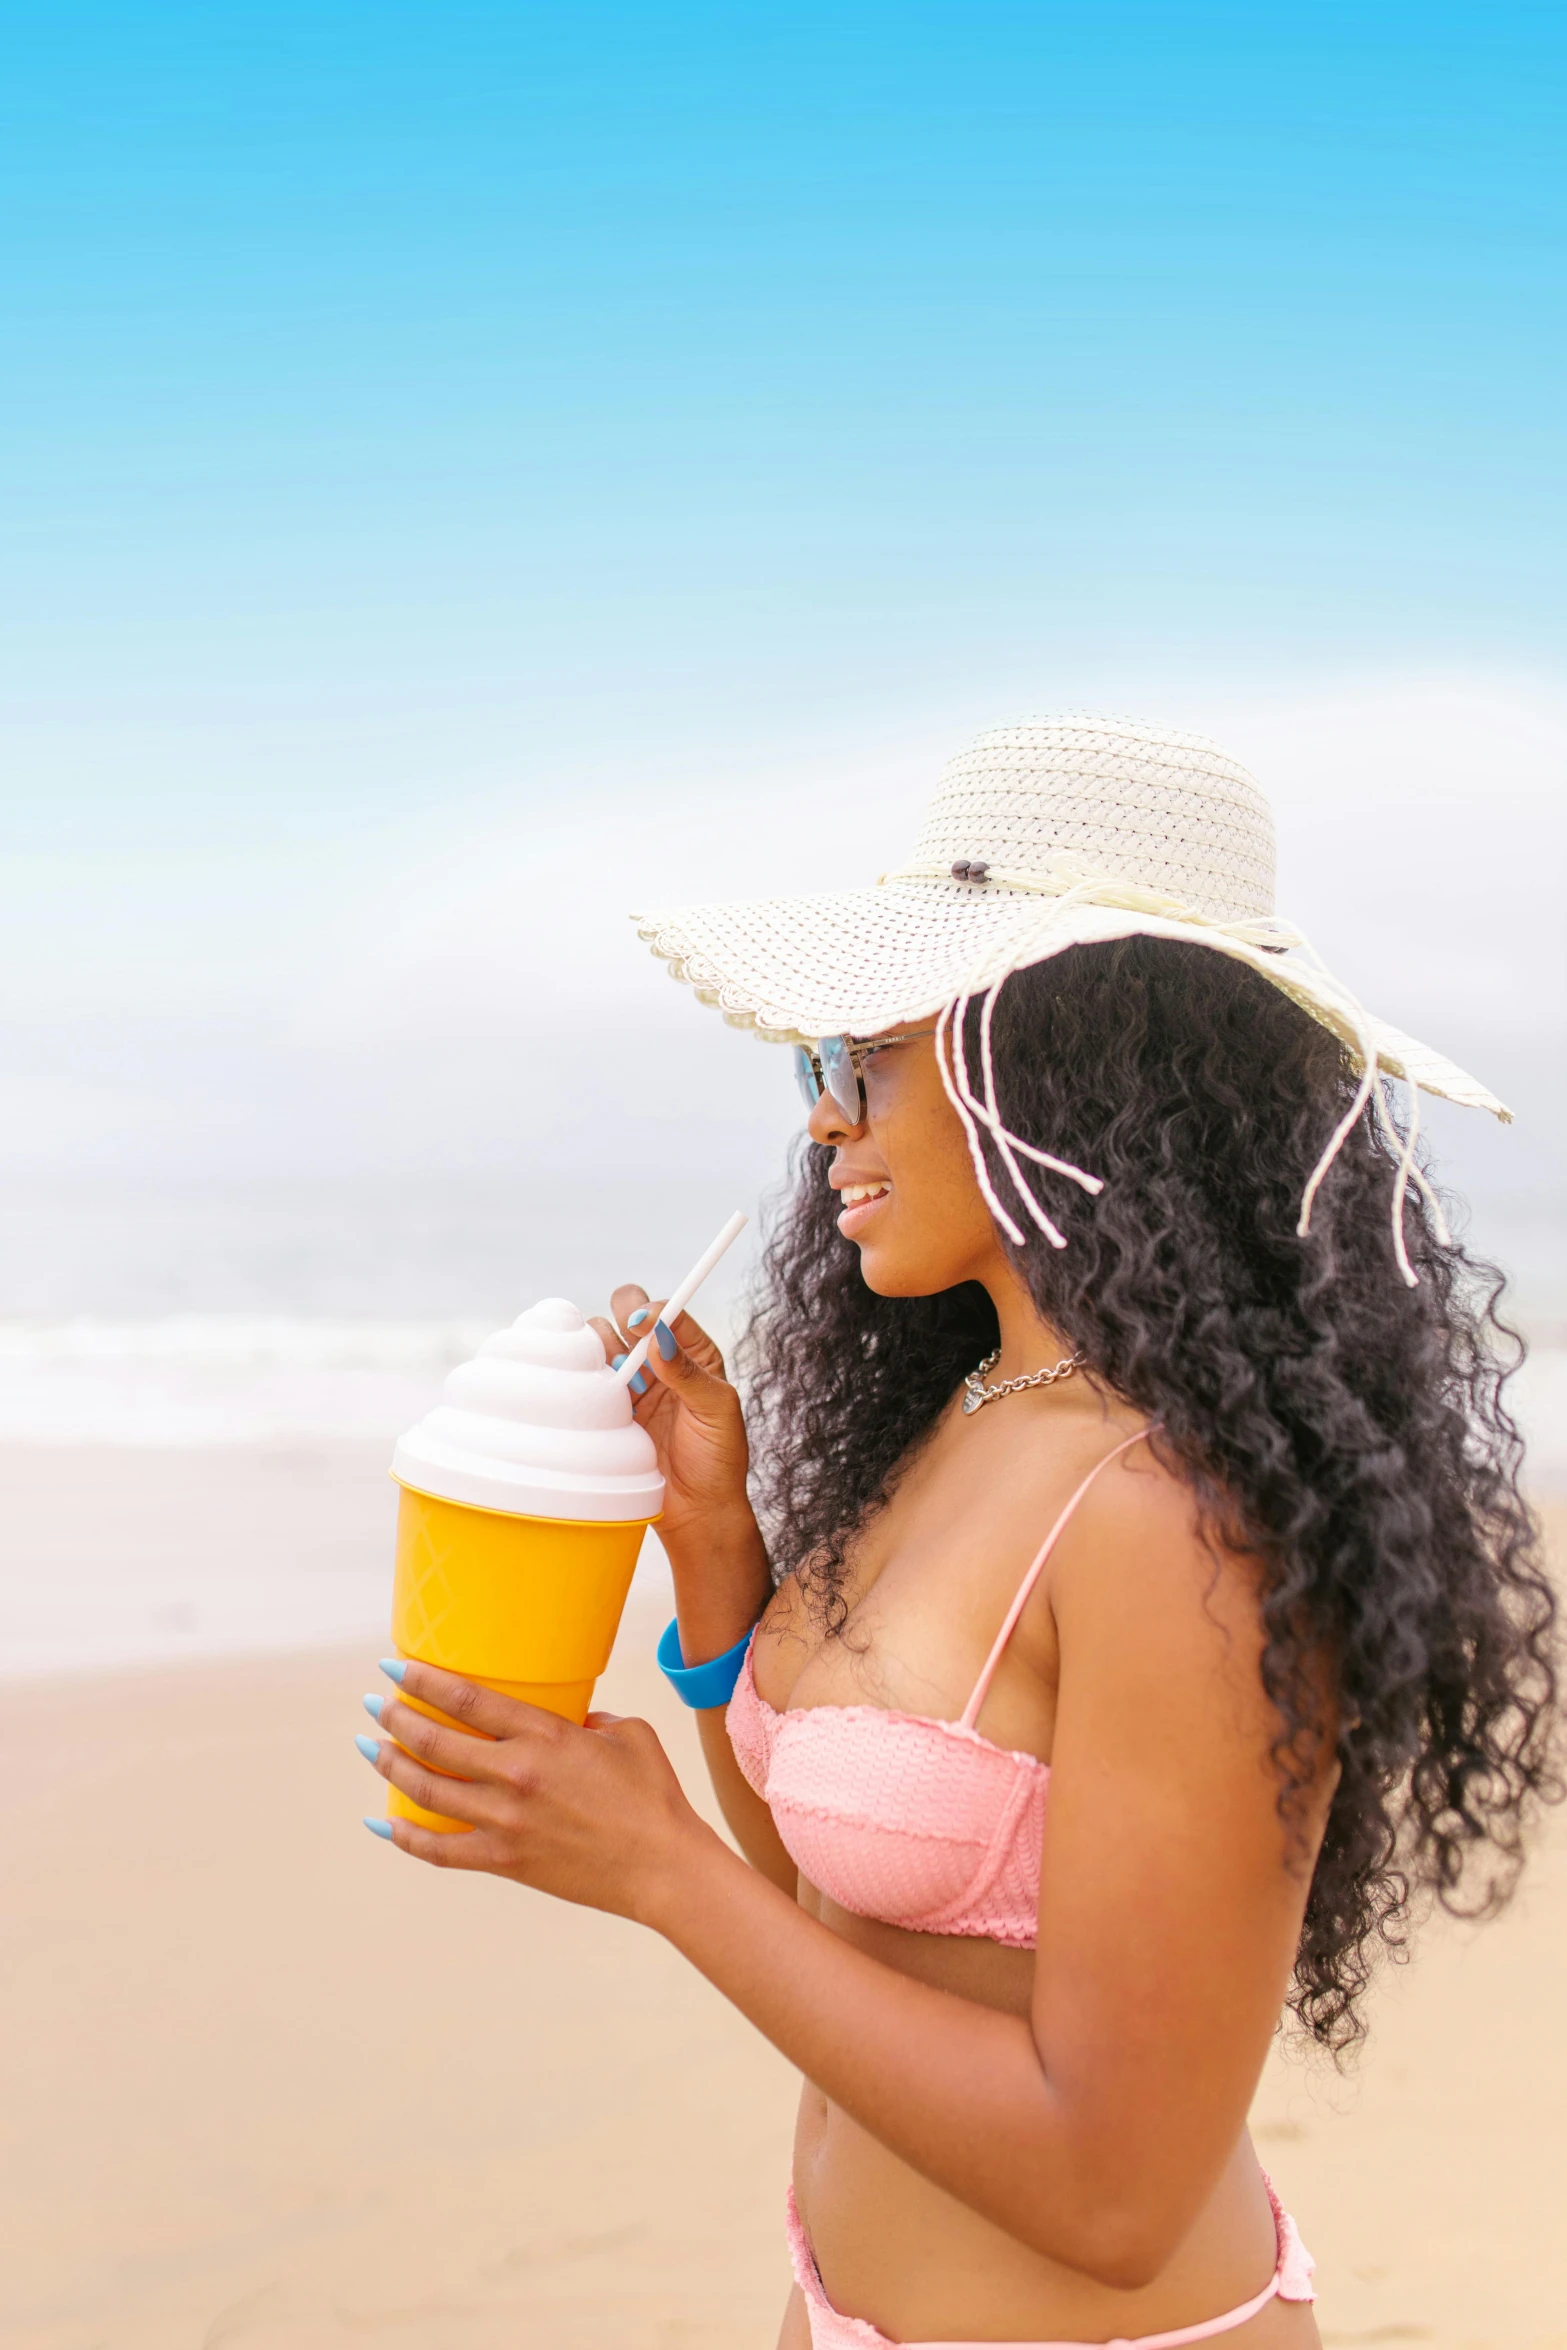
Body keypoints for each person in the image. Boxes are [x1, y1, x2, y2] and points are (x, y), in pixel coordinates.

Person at [359, 717, 1558, 2348]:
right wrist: (715, 1543)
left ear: (1049, 1060)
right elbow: (840, 1895)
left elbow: (1115, 2197)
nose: (821, 1121)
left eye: (861, 1060)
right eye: (814, 1068)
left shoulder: (1172, 1519)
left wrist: (651, 1866)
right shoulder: (981, 1400)